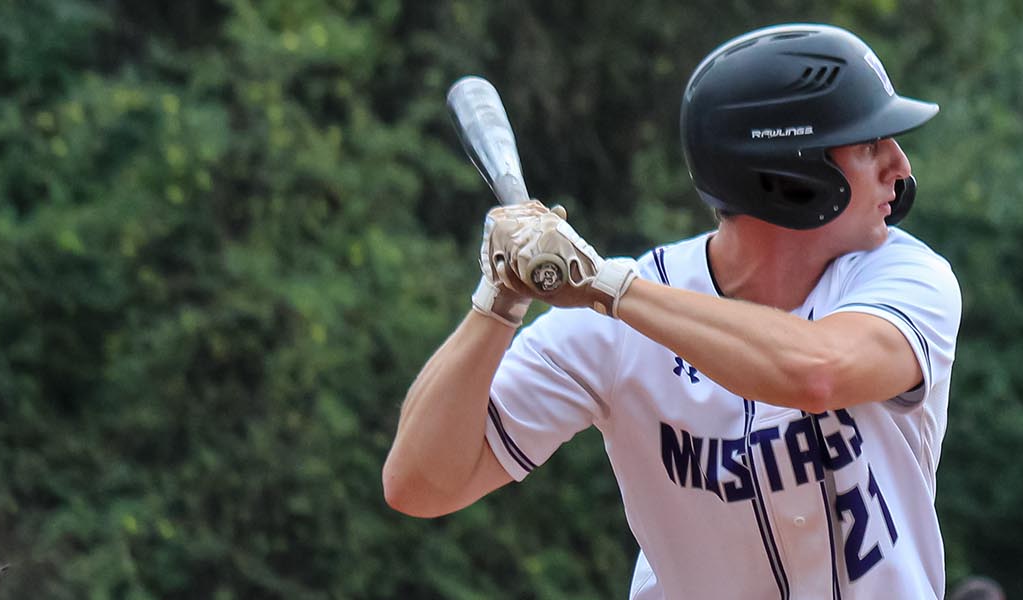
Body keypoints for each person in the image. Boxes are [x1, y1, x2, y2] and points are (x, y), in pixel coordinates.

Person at [382, 23, 961, 600]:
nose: (901, 166)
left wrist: (607, 287)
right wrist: (499, 298)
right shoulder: (618, 316)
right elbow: (421, 483)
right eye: (868, 144)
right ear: (791, 176)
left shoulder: (904, 277)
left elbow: (817, 372)